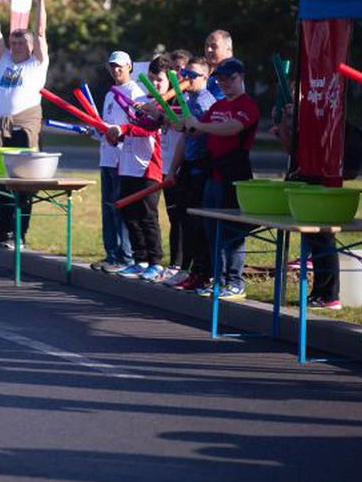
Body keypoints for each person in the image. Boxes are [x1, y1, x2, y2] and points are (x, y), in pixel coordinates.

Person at [185, 57, 260, 300]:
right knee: (212, 229)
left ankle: (234, 281)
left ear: (241, 77)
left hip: (235, 175)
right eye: (222, 79)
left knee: (233, 230)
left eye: (230, 78)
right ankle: (218, 279)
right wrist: (181, 124)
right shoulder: (217, 106)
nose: (225, 83)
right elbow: (196, 130)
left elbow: (233, 128)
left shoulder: (247, 105)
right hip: (213, 174)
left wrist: (200, 126)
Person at [0, 0, 49, 247]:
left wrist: (41, 0)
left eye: (21, 42)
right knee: (1, 179)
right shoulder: (4, 60)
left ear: (31, 45)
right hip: (2, 126)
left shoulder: (37, 63)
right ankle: (3, 229)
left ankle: (19, 234)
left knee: (22, 183)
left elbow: (41, 31)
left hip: (24, 126)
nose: (16, 46)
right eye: (14, 42)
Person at [106, 54, 172, 281]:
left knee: (147, 215)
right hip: (127, 164)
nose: (154, 85)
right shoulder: (135, 99)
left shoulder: (159, 104)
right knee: (129, 213)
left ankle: (155, 262)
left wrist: (123, 129)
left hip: (149, 167)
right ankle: (140, 259)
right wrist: (114, 136)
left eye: (158, 80)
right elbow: (130, 129)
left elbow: (149, 127)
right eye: (151, 80)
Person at [163, 56, 217, 289]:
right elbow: (184, 139)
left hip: (203, 168)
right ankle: (194, 271)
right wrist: (173, 170)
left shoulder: (205, 101)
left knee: (199, 224)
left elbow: (200, 133)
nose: (186, 79)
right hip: (189, 167)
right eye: (185, 74)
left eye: (192, 75)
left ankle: (205, 273)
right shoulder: (188, 99)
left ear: (205, 77)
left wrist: (188, 126)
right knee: (187, 222)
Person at [93, 51, 140, 274]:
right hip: (107, 158)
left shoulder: (135, 92)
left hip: (124, 160)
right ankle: (111, 253)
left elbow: (138, 127)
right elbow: (106, 126)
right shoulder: (110, 94)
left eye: (120, 66)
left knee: (120, 209)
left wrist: (117, 133)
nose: (116, 70)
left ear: (129, 66)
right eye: (112, 66)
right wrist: (95, 131)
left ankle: (125, 256)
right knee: (107, 209)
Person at [203, 30, 233, 98]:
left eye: (214, 46)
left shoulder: (232, 75)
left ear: (228, 49)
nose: (209, 50)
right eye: (207, 46)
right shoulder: (211, 75)